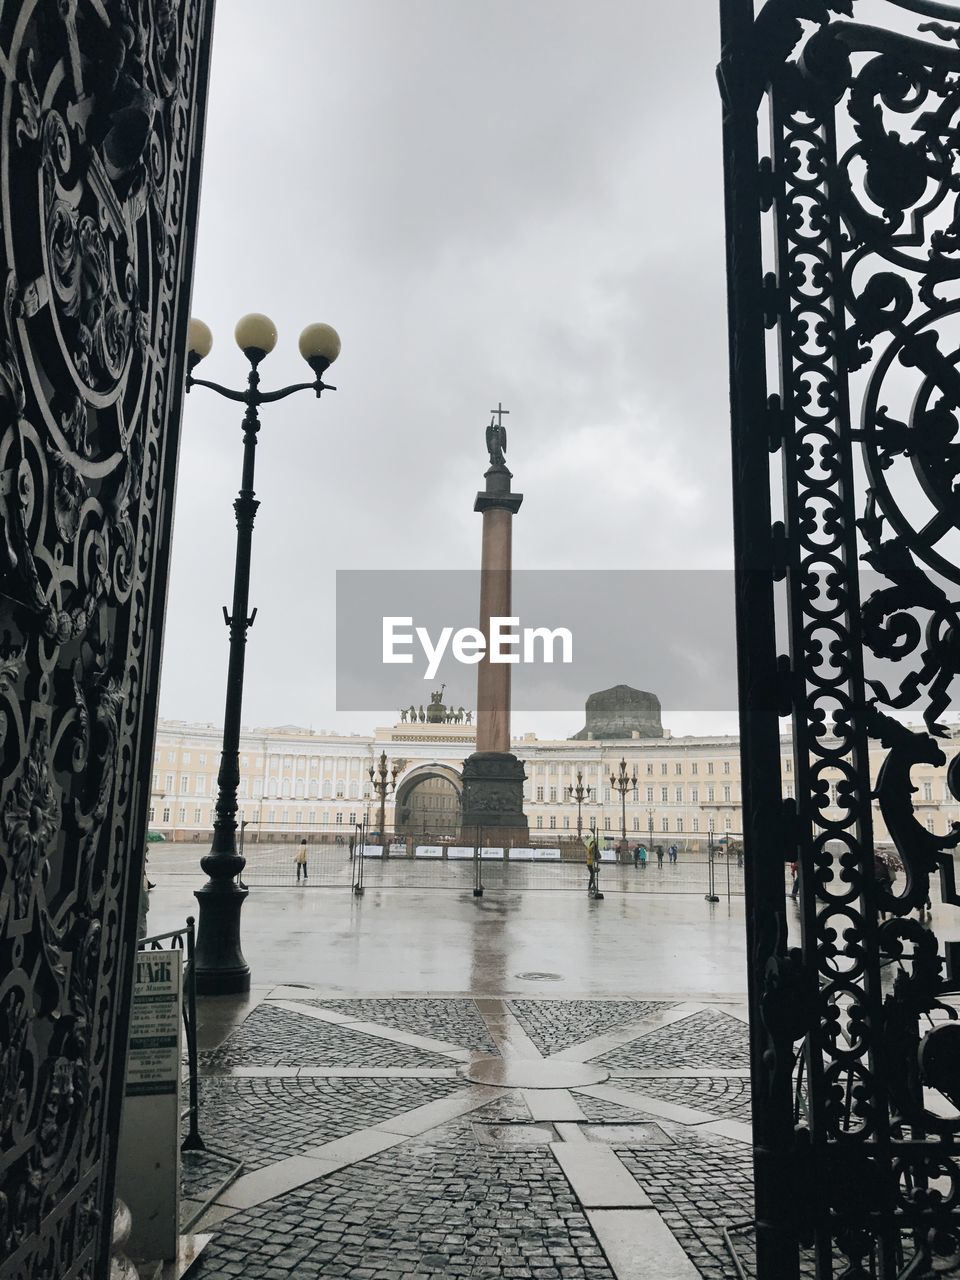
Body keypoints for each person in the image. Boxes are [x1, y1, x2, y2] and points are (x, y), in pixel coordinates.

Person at [585, 829, 599, 895]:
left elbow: (598, 856)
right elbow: (590, 849)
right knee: (592, 875)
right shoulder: (590, 849)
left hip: (592, 863)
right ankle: (590, 887)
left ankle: (593, 886)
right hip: (590, 864)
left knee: (592, 875)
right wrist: (594, 843)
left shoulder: (594, 850)